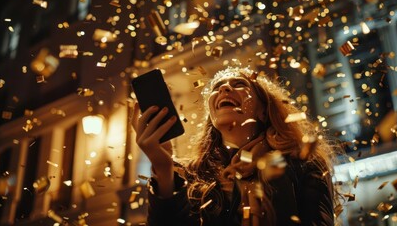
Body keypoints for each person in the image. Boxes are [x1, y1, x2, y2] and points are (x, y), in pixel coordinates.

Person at [131, 66, 342, 226]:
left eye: (240, 84)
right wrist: (163, 169)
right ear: (212, 117)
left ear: (263, 111)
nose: (224, 87)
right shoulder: (192, 177)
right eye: (217, 88)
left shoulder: (302, 163)